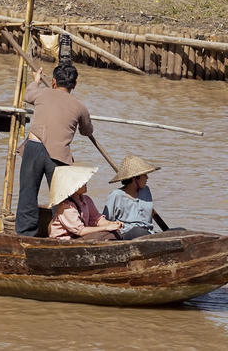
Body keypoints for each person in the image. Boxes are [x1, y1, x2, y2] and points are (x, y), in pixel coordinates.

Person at [15, 64, 93, 236]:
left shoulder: (43, 93)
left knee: (28, 193)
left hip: (34, 148)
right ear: (74, 85)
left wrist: (35, 80)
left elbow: (28, 94)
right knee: (61, 199)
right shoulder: (80, 107)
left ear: (54, 82)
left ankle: (25, 235)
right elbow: (87, 131)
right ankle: (61, 233)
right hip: (58, 155)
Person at [47, 165, 123, 242]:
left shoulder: (86, 200)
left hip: (77, 236)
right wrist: (106, 228)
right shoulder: (66, 207)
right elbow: (80, 231)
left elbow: (97, 219)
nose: (86, 183)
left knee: (115, 233)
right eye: (82, 182)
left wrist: (112, 224)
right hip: (64, 240)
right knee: (108, 235)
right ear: (74, 186)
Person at [103, 155, 163, 240]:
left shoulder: (145, 190)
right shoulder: (116, 195)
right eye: (144, 175)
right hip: (126, 234)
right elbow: (105, 221)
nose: (147, 177)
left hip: (148, 233)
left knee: (180, 231)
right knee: (138, 231)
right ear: (135, 178)